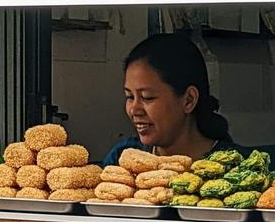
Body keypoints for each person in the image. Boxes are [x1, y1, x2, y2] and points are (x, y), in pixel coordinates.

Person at [104, 33, 248, 166]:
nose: (134, 110)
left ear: (188, 100)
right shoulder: (122, 158)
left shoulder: (238, 166)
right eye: (130, 97)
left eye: (147, 97)